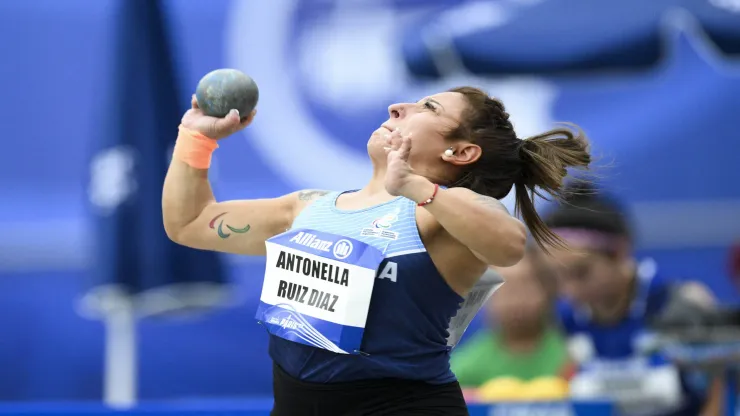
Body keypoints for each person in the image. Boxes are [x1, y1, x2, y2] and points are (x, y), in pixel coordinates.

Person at [162, 87, 591, 416]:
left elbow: (509, 244)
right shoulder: (307, 206)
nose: (396, 108)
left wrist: (416, 187)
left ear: (460, 152)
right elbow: (190, 223)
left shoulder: (438, 213)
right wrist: (194, 138)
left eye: (429, 108)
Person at [537, 186, 723, 416]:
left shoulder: (677, 304)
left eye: (581, 273)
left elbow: (719, 390)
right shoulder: (567, 318)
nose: (569, 291)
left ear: (620, 251)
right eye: (556, 277)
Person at [451, 250, 572, 395]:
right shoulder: (466, 365)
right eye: (503, 289)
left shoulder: (570, 354)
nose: (515, 298)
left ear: (548, 290)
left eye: (525, 286)